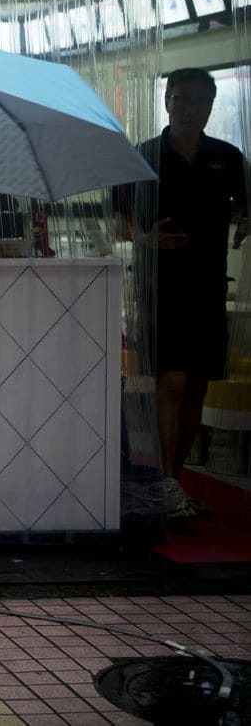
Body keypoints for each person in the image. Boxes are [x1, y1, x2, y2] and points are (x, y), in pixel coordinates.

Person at [115, 68, 248, 522]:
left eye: (199, 101)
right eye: (181, 99)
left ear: (211, 107)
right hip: (160, 286)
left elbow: (247, 206)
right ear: (167, 101)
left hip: (210, 287)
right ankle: (165, 485)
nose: (190, 108)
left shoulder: (227, 158)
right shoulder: (144, 155)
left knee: (196, 387)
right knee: (169, 382)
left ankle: (175, 477)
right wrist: (145, 238)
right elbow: (121, 222)